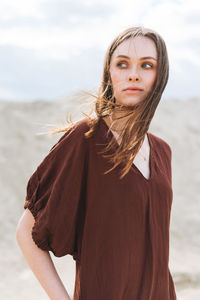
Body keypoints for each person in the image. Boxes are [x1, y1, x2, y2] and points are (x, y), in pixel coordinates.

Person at [16, 26, 177, 300]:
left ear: (159, 76)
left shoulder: (162, 151)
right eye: (122, 64)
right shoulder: (86, 139)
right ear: (109, 73)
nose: (133, 74)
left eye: (147, 65)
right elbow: (26, 232)